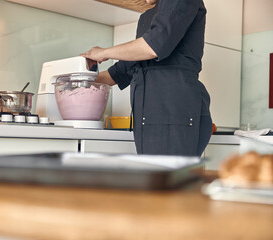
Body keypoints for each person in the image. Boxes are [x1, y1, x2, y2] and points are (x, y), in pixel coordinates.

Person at [81, 0, 212, 156]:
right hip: (150, 117)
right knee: (155, 177)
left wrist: (104, 53)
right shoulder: (149, 17)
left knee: (165, 178)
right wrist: (80, 79)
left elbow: (153, 46)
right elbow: (120, 71)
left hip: (174, 112)